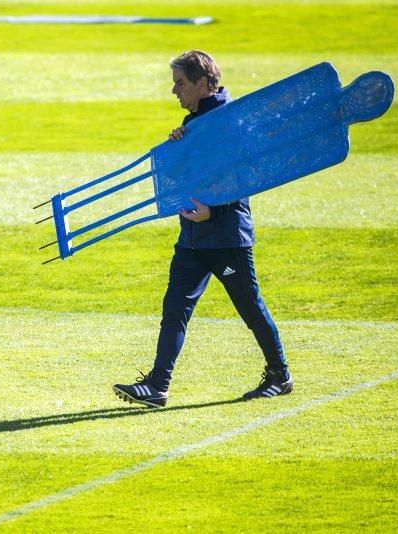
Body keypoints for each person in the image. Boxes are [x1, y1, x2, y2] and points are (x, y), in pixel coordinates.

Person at [112, 50, 293, 408]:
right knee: (174, 309)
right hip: (193, 237)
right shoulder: (193, 124)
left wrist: (215, 210)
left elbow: (244, 174)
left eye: (180, 83)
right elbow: (184, 178)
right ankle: (158, 385)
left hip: (226, 238)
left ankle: (280, 376)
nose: (174, 91)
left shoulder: (228, 122)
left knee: (250, 307)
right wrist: (177, 150)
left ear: (203, 83)